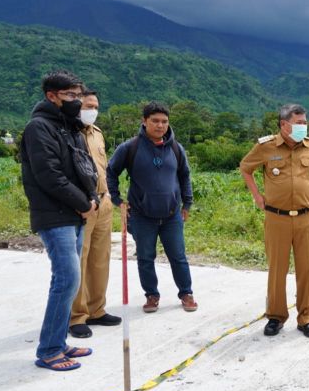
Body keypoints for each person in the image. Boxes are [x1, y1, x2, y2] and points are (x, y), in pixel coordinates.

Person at [20, 70, 98, 371]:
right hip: (55, 215)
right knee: (66, 279)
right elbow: (49, 175)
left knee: (69, 279)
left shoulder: (67, 126)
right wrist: (82, 203)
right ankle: (49, 349)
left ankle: (59, 341)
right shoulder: (39, 128)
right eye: (70, 96)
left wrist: (91, 199)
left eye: (78, 95)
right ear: (52, 96)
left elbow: (83, 166)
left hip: (74, 214)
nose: (76, 101)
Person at [239, 104, 309, 338]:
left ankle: (306, 317)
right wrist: (257, 196)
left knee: (306, 269)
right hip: (276, 217)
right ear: (283, 124)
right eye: (299, 123)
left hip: (305, 218)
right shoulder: (266, 147)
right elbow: (245, 168)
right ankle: (276, 317)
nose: (303, 127)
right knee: (277, 269)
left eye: (304, 122)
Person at [106, 101, 197, 313]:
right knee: (146, 257)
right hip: (141, 215)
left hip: (172, 215)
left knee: (178, 256)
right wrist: (117, 200)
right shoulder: (130, 147)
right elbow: (110, 172)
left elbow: (184, 176)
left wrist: (187, 203)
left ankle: (186, 293)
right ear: (144, 121)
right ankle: (151, 296)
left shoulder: (176, 148)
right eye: (155, 121)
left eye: (164, 121)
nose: (160, 125)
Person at [69, 89, 122, 338]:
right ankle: (77, 316)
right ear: (76, 106)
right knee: (79, 261)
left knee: (100, 261)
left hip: (103, 203)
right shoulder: (68, 133)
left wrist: (109, 196)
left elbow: (104, 169)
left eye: (96, 106)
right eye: (88, 105)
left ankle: (96, 309)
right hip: (82, 206)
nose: (93, 110)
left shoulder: (97, 134)